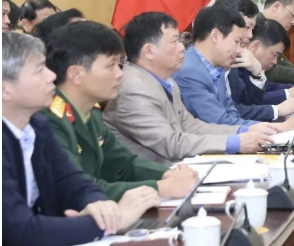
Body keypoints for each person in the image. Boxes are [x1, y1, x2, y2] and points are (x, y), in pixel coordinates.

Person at [2, 32, 159, 246]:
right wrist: (111, 220)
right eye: (39, 70)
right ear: (5, 89)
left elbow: (75, 185)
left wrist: (98, 205)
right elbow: (20, 232)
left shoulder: (36, 126)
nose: (52, 76)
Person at [40, 21, 198, 201]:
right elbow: (78, 189)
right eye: (110, 66)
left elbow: (124, 165)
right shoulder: (49, 120)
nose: (119, 74)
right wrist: (160, 187)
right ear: (76, 74)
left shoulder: (91, 113)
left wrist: (168, 174)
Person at [103, 12, 276, 164]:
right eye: (175, 41)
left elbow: (191, 126)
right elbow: (172, 144)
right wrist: (235, 142)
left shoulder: (168, 82)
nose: (182, 47)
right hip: (147, 182)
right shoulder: (134, 88)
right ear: (149, 51)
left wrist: (243, 131)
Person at [175, 6, 294, 131]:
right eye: (236, 42)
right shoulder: (189, 71)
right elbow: (220, 123)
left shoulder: (216, 68)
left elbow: (233, 115)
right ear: (215, 36)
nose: (240, 50)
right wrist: (279, 128)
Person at [215, 0, 294, 122]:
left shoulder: (235, 57)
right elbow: (228, 113)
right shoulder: (204, 65)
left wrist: (257, 74)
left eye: (252, 29)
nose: (250, 35)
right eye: (247, 27)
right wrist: (277, 111)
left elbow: (246, 102)